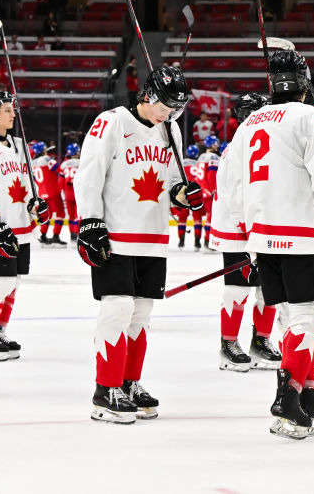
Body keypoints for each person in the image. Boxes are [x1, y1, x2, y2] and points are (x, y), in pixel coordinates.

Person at [222, 50, 314, 439]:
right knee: (309, 318)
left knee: (293, 317)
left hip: (263, 236)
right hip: (304, 233)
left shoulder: (248, 125)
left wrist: (249, 232)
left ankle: (309, 394)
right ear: (304, 79)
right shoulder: (312, 117)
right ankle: (287, 397)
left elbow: (233, 187)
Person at [75, 65, 203, 424]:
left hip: (153, 237)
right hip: (115, 234)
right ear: (147, 95)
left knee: (141, 315)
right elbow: (89, 174)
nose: (170, 114)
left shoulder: (171, 130)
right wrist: (89, 221)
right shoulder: (112, 122)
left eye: (176, 109)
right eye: (166, 106)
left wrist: (184, 194)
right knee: (116, 310)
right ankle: (106, 388)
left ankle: (129, 382)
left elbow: (173, 182)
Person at [0, 91, 50, 362]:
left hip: (21, 226)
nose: (13, 113)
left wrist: (35, 205)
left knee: (13, 282)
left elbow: (28, 185)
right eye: (6, 110)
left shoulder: (19, 144)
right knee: (0, 282)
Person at [211, 93, 281, 373]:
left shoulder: (257, 142)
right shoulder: (241, 145)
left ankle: (261, 341)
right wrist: (246, 227)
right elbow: (237, 191)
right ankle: (228, 345)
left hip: (258, 225)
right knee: (237, 289)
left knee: (268, 288)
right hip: (237, 228)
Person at [32, 142, 66, 246]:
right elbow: (60, 170)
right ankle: (55, 236)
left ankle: (42, 236)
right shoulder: (46, 159)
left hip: (41, 192)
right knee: (60, 214)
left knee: (47, 215)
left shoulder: (32, 162)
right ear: (43, 150)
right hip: (53, 191)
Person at [172, 144, 200, 248]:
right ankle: (197, 241)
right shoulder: (198, 164)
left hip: (183, 194)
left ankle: (181, 241)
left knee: (182, 219)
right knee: (197, 218)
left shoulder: (182, 163)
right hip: (195, 193)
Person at [59, 143, 81, 242]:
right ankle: (77, 233)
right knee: (77, 215)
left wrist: (64, 191)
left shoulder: (64, 164)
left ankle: (71, 234)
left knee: (71, 216)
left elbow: (60, 181)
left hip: (67, 193)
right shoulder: (81, 162)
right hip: (78, 191)